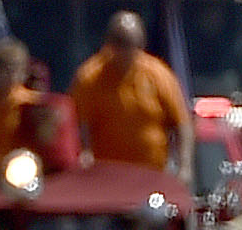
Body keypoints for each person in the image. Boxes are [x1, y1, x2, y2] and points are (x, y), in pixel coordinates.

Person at [69, 11, 193, 171]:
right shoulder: (89, 77)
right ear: (108, 43)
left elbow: (182, 124)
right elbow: (78, 125)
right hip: (106, 175)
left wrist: (185, 167)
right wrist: (83, 155)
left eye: (131, 43)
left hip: (152, 173)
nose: (125, 50)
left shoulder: (159, 74)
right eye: (119, 42)